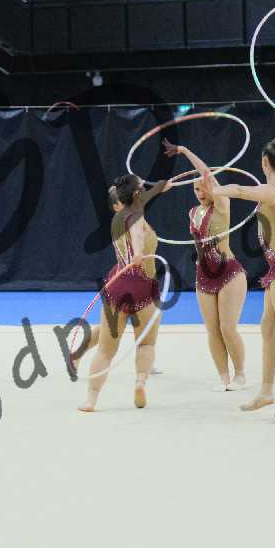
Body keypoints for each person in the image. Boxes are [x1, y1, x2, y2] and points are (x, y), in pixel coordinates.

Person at [211, 106, 275, 421]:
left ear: (264, 163)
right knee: (268, 327)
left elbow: (240, 190)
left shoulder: (270, 192)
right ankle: (267, 391)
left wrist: (216, 189)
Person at [78, 174, 170, 412]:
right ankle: (140, 382)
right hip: (143, 287)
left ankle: (91, 400)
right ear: (136, 195)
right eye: (142, 187)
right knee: (146, 344)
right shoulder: (137, 218)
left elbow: (144, 199)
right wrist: (138, 252)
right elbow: (137, 233)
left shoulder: (119, 216)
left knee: (105, 350)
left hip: (118, 285)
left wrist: (161, 187)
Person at [162, 137, 247, 390]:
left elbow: (207, 174)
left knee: (227, 328)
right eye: (196, 190)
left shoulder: (222, 204)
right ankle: (224, 377)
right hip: (204, 275)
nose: (201, 193)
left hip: (229, 272)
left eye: (204, 188)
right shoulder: (192, 212)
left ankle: (240, 374)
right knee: (212, 330)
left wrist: (185, 150)